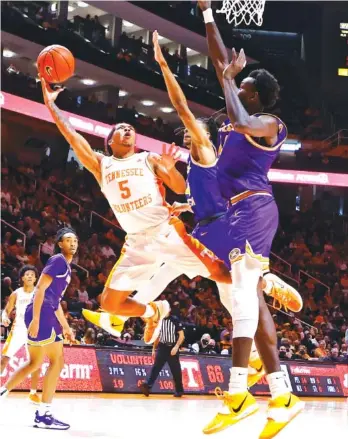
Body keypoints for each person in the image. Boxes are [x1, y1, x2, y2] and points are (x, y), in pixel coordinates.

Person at [83, 31, 302, 390]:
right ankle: (142, 314)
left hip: (219, 226)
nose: (185, 132)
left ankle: (264, 285)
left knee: (226, 282)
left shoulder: (208, 147)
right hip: (208, 222)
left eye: (191, 129)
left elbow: (186, 104)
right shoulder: (202, 158)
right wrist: (180, 203)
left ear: (204, 132)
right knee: (220, 290)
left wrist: (166, 64)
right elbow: (197, 189)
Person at [40, 76, 231, 346]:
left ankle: (263, 285)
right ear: (110, 142)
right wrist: (51, 106)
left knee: (223, 274)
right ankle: (154, 310)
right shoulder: (101, 165)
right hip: (137, 243)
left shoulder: (147, 158)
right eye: (121, 128)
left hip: (167, 233)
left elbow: (178, 187)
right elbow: (72, 136)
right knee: (109, 303)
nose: (128, 129)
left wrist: (170, 168)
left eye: (130, 128)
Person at [197, 1, 305, 436]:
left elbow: (240, 119)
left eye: (243, 85)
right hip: (230, 212)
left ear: (254, 93)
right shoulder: (237, 100)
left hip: (254, 208)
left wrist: (228, 81)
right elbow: (221, 59)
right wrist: (207, 13)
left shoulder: (269, 124)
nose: (236, 86)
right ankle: (282, 395)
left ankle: (238, 391)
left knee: (242, 294)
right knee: (245, 297)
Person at [0, 228, 77, 430]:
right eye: (68, 240)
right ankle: (44, 413)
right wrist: (35, 319)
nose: (73, 243)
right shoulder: (58, 260)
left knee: (34, 363)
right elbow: (40, 288)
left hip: (45, 312)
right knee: (57, 361)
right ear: (59, 244)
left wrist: (67, 326)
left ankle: (2, 392)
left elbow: (56, 301)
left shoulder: (66, 267)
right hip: (42, 314)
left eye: (75, 240)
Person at [1, 265, 41, 404]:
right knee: (3, 359)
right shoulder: (16, 293)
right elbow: (6, 311)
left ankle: (33, 393)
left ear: (36, 278)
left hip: (34, 331)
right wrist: (5, 317)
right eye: (27, 274)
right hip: (18, 330)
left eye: (32, 274)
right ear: (22, 278)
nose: (30, 276)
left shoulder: (39, 293)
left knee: (35, 363)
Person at [140, 308, 185, 397]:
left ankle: (179, 391)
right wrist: (154, 349)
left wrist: (176, 347)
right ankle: (147, 387)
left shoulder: (174, 319)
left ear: (169, 310)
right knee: (156, 368)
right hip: (162, 347)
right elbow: (157, 336)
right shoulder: (159, 320)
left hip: (172, 347)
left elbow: (182, 336)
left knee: (176, 370)